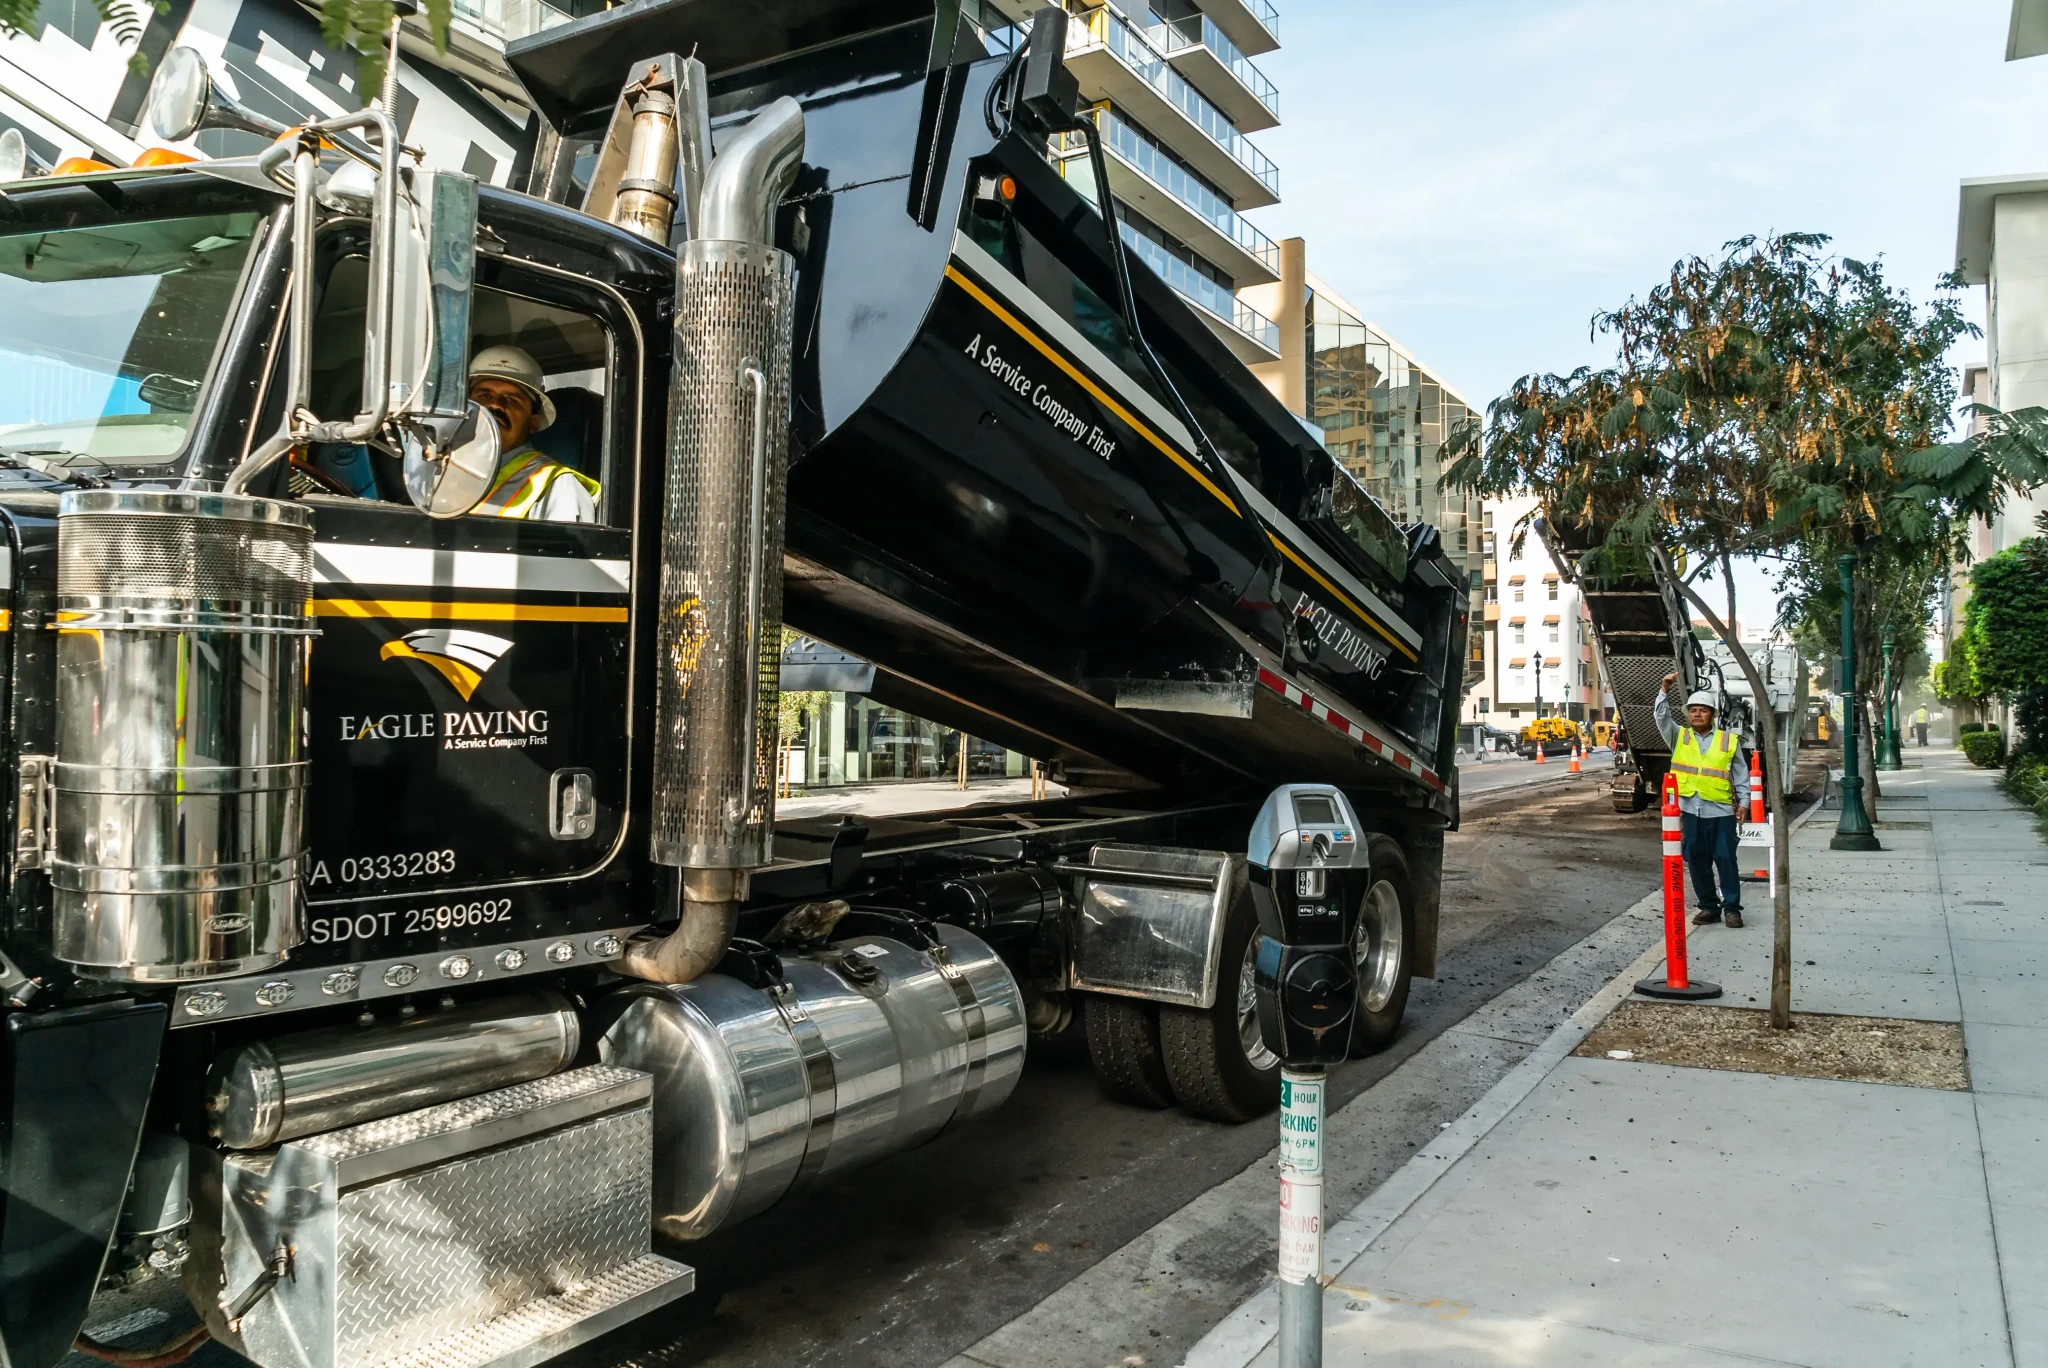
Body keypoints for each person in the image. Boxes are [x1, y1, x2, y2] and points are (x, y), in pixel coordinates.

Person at [1656, 672, 1750, 929]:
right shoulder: (1679, 737)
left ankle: (1732, 908)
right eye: (1693, 710)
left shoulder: (1728, 741)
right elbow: (1661, 718)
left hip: (1721, 811)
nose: (1697, 714)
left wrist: (1744, 803)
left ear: (1712, 715)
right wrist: (1664, 690)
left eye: (1703, 710)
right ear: (1688, 714)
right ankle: (1708, 907)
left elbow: (1740, 773)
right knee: (1697, 860)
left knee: (1726, 859)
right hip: (1690, 810)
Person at [467, 345, 599, 522]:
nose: (495, 405)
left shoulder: (556, 486)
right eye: (484, 396)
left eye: (511, 400)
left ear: (533, 423)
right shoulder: (437, 468)